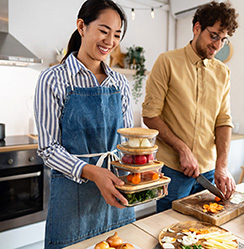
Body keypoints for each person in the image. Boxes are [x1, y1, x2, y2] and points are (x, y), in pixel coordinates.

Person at [34, 0, 135, 248]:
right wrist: (93, 173)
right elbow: (48, 149)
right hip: (71, 202)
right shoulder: (53, 79)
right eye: (103, 30)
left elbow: (128, 144)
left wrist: (144, 173)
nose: (110, 41)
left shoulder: (119, 84)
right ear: (81, 26)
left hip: (117, 196)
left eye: (117, 35)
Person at [142, 1, 239, 212]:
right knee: (168, 232)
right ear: (197, 28)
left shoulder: (223, 73)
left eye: (223, 39)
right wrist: (182, 149)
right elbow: (150, 115)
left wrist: (222, 166)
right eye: (213, 36)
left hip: (210, 171)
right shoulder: (167, 62)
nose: (217, 45)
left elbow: (223, 121)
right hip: (173, 170)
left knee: (205, 235)